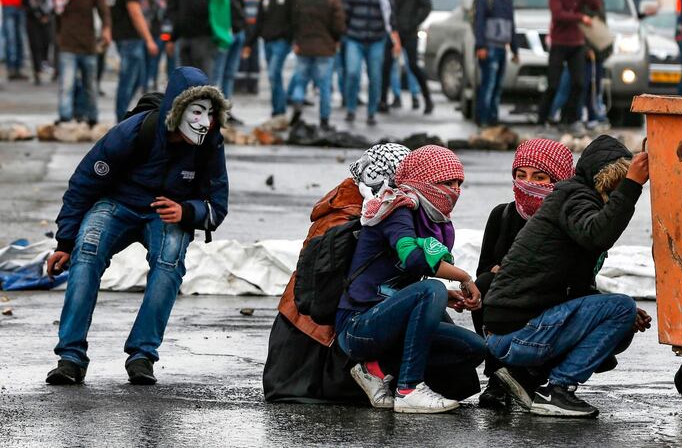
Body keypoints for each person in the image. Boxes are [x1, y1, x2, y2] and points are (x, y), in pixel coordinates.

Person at [44, 67, 229, 386]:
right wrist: (65, 243)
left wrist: (186, 211)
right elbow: (83, 184)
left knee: (169, 262)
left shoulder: (210, 142)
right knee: (86, 254)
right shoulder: (133, 132)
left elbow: (217, 204)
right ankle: (70, 358)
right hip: (118, 203)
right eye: (196, 112)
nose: (204, 122)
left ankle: (142, 355)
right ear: (177, 110)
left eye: (209, 113)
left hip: (167, 210)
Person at [483, 135, 652, 417]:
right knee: (621, 307)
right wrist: (632, 185)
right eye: (616, 182)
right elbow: (598, 234)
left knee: (622, 322)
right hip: (513, 336)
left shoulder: (573, 198)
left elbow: (573, 286)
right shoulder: (576, 197)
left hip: (516, 331)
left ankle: (529, 376)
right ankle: (556, 389)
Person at [336, 145, 486, 413]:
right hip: (358, 326)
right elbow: (414, 259)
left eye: (458, 183)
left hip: (388, 320)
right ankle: (408, 389)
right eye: (446, 182)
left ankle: (376, 370)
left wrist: (446, 299)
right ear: (422, 179)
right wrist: (463, 278)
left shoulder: (434, 219)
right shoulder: (396, 207)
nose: (455, 190)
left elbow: (406, 279)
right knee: (432, 288)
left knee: (473, 348)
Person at [263, 143, 411, 403]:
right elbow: (324, 296)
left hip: (304, 332)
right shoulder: (348, 220)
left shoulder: (354, 208)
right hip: (313, 340)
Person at [470, 138, 575, 408]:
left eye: (539, 177)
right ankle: (497, 377)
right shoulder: (502, 215)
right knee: (484, 284)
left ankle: (536, 375)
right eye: (521, 175)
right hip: (506, 304)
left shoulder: (570, 218)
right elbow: (483, 269)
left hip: (548, 306)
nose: (528, 183)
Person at [538, 0, 600, 130]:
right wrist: (580, 17)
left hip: (577, 43)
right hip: (559, 42)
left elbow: (596, 5)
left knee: (579, 83)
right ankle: (542, 118)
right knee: (553, 84)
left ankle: (569, 119)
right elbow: (558, 15)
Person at [340, 0, 400, 126]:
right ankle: (351, 108)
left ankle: (371, 112)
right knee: (352, 73)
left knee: (375, 77)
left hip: (376, 41)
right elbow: (343, 16)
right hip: (354, 39)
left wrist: (396, 41)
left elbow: (391, 20)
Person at [288, 0, 346, 130]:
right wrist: (335, 40)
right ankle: (324, 119)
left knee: (300, 81)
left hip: (304, 46)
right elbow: (339, 26)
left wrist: (297, 41)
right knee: (324, 86)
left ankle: (298, 105)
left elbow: (294, 21)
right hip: (324, 48)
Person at [54, 0, 110, 126]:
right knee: (67, 85)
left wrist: (106, 29)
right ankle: (65, 117)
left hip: (88, 47)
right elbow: (56, 21)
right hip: (67, 47)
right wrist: (58, 39)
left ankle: (92, 117)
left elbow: (104, 11)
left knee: (90, 86)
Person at [242, 0, 297, 120]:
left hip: (282, 42)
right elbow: (259, 22)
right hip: (267, 42)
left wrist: (291, 38)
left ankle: (280, 109)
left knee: (274, 73)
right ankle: (277, 109)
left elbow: (295, 19)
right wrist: (248, 43)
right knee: (274, 76)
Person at [380, 0, 434, 114]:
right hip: (392, 32)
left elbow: (427, 6)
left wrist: (414, 22)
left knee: (413, 66)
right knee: (386, 66)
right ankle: (383, 100)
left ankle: (427, 99)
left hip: (409, 32)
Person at [110, 0, 159, 121]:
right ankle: (121, 117)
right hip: (131, 38)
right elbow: (135, 13)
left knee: (137, 78)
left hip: (122, 38)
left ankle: (121, 114)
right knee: (128, 80)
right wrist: (149, 39)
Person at [472, 0, 518, 127]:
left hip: (501, 48)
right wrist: (481, 46)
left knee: (497, 87)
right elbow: (479, 22)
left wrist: (515, 49)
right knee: (488, 85)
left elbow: (511, 24)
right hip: (489, 47)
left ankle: (493, 119)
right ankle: (483, 119)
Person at [212, 0, 246, 123]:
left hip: (238, 32)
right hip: (223, 34)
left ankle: (226, 110)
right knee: (216, 73)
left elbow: (240, 5)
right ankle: (212, 110)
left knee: (230, 74)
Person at [22, 0, 54, 85]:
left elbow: (52, 2)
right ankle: (37, 72)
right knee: (35, 46)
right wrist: (38, 15)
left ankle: (43, 65)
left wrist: (47, 15)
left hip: (47, 20)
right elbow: (26, 4)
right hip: (33, 21)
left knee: (46, 43)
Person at [140, 0, 169, 89]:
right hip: (146, 31)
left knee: (155, 59)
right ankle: (146, 83)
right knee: (147, 60)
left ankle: (151, 82)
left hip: (158, 30)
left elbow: (163, 9)